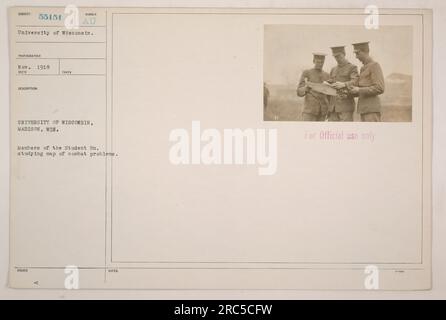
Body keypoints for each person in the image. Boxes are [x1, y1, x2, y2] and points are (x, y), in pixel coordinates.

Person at [349, 42, 385, 122]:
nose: (356, 57)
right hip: (364, 110)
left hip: (371, 110)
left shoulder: (374, 65)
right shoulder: (363, 68)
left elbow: (380, 88)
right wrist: (352, 91)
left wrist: (359, 90)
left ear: (365, 51)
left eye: (357, 53)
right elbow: (362, 89)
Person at [327, 46, 359, 121]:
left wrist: (344, 84)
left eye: (339, 56)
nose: (337, 58)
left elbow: (355, 82)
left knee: (346, 130)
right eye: (335, 57)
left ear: (344, 54)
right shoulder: (333, 69)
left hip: (345, 107)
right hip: (333, 108)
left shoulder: (352, 67)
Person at [297, 53, 330, 121]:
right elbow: (299, 91)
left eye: (322, 62)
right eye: (318, 62)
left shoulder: (327, 75)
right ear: (313, 61)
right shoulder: (307, 73)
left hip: (323, 111)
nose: (320, 64)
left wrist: (328, 110)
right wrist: (306, 88)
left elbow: (329, 95)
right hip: (309, 111)